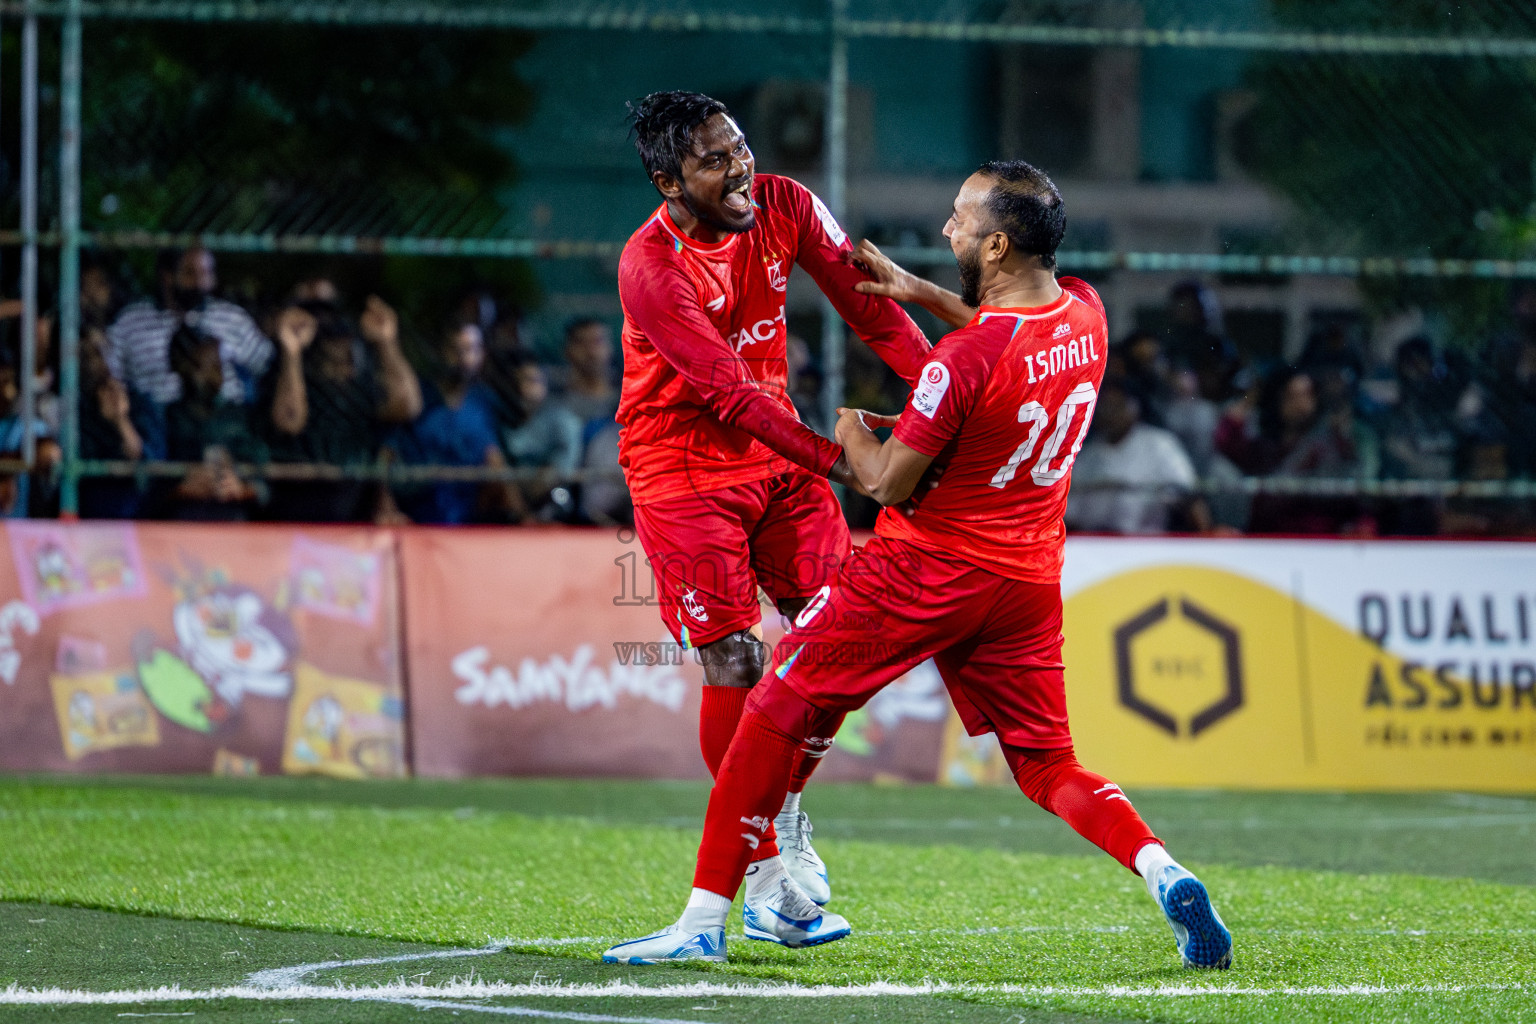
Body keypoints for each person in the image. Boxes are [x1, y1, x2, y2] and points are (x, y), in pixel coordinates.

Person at [602, 160, 1233, 972]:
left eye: (962, 220)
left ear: (997, 243)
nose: (948, 230)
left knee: (767, 703)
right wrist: (923, 294)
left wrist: (855, 429)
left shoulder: (959, 364)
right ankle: (1163, 870)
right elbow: (1005, 338)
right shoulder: (1088, 311)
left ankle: (705, 918)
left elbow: (884, 479)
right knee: (1048, 765)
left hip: (926, 573)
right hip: (1029, 582)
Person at [614, 91, 932, 938]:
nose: (740, 165)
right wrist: (846, 465)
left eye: (740, 147)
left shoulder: (785, 205)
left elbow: (869, 306)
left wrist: (941, 393)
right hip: (684, 470)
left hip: (778, 459)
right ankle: (760, 881)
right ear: (666, 181)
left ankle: (783, 813)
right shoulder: (650, 266)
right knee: (735, 661)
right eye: (714, 159)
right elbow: (723, 393)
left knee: (844, 635)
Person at [263, 296, 422, 522]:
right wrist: (292, 352)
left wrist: (386, 341)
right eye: (331, 363)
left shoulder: (359, 391)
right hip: (296, 517)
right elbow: (290, 420)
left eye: (348, 360)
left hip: (353, 518)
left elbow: (408, 406)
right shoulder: (291, 383)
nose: (342, 370)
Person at [383, 319, 519, 525]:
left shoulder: (484, 401)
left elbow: (495, 462)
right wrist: (386, 508)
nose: (463, 358)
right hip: (414, 516)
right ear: (440, 352)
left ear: (482, 354)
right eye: (455, 349)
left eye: (471, 349)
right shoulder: (417, 398)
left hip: (467, 521)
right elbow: (386, 455)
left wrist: (522, 515)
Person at [107, 246, 273, 406]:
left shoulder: (232, 318)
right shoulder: (131, 321)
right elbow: (110, 375)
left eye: (206, 273)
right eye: (190, 273)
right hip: (159, 420)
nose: (201, 282)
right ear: (168, 276)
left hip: (223, 419)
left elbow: (266, 364)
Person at [160, 324, 268, 521]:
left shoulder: (239, 416)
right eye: (202, 366)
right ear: (180, 366)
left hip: (232, 517)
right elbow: (147, 486)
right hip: (181, 520)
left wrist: (241, 487)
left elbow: (265, 485)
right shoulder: (166, 417)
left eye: (217, 366)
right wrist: (182, 488)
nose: (213, 375)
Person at [1066, 377, 1201, 535]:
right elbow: (1069, 514)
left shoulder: (1159, 444)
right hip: (1094, 545)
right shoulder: (1085, 454)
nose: (1110, 414)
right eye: (1105, 407)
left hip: (1146, 543)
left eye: (1116, 406)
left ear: (1134, 408)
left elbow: (1187, 492)